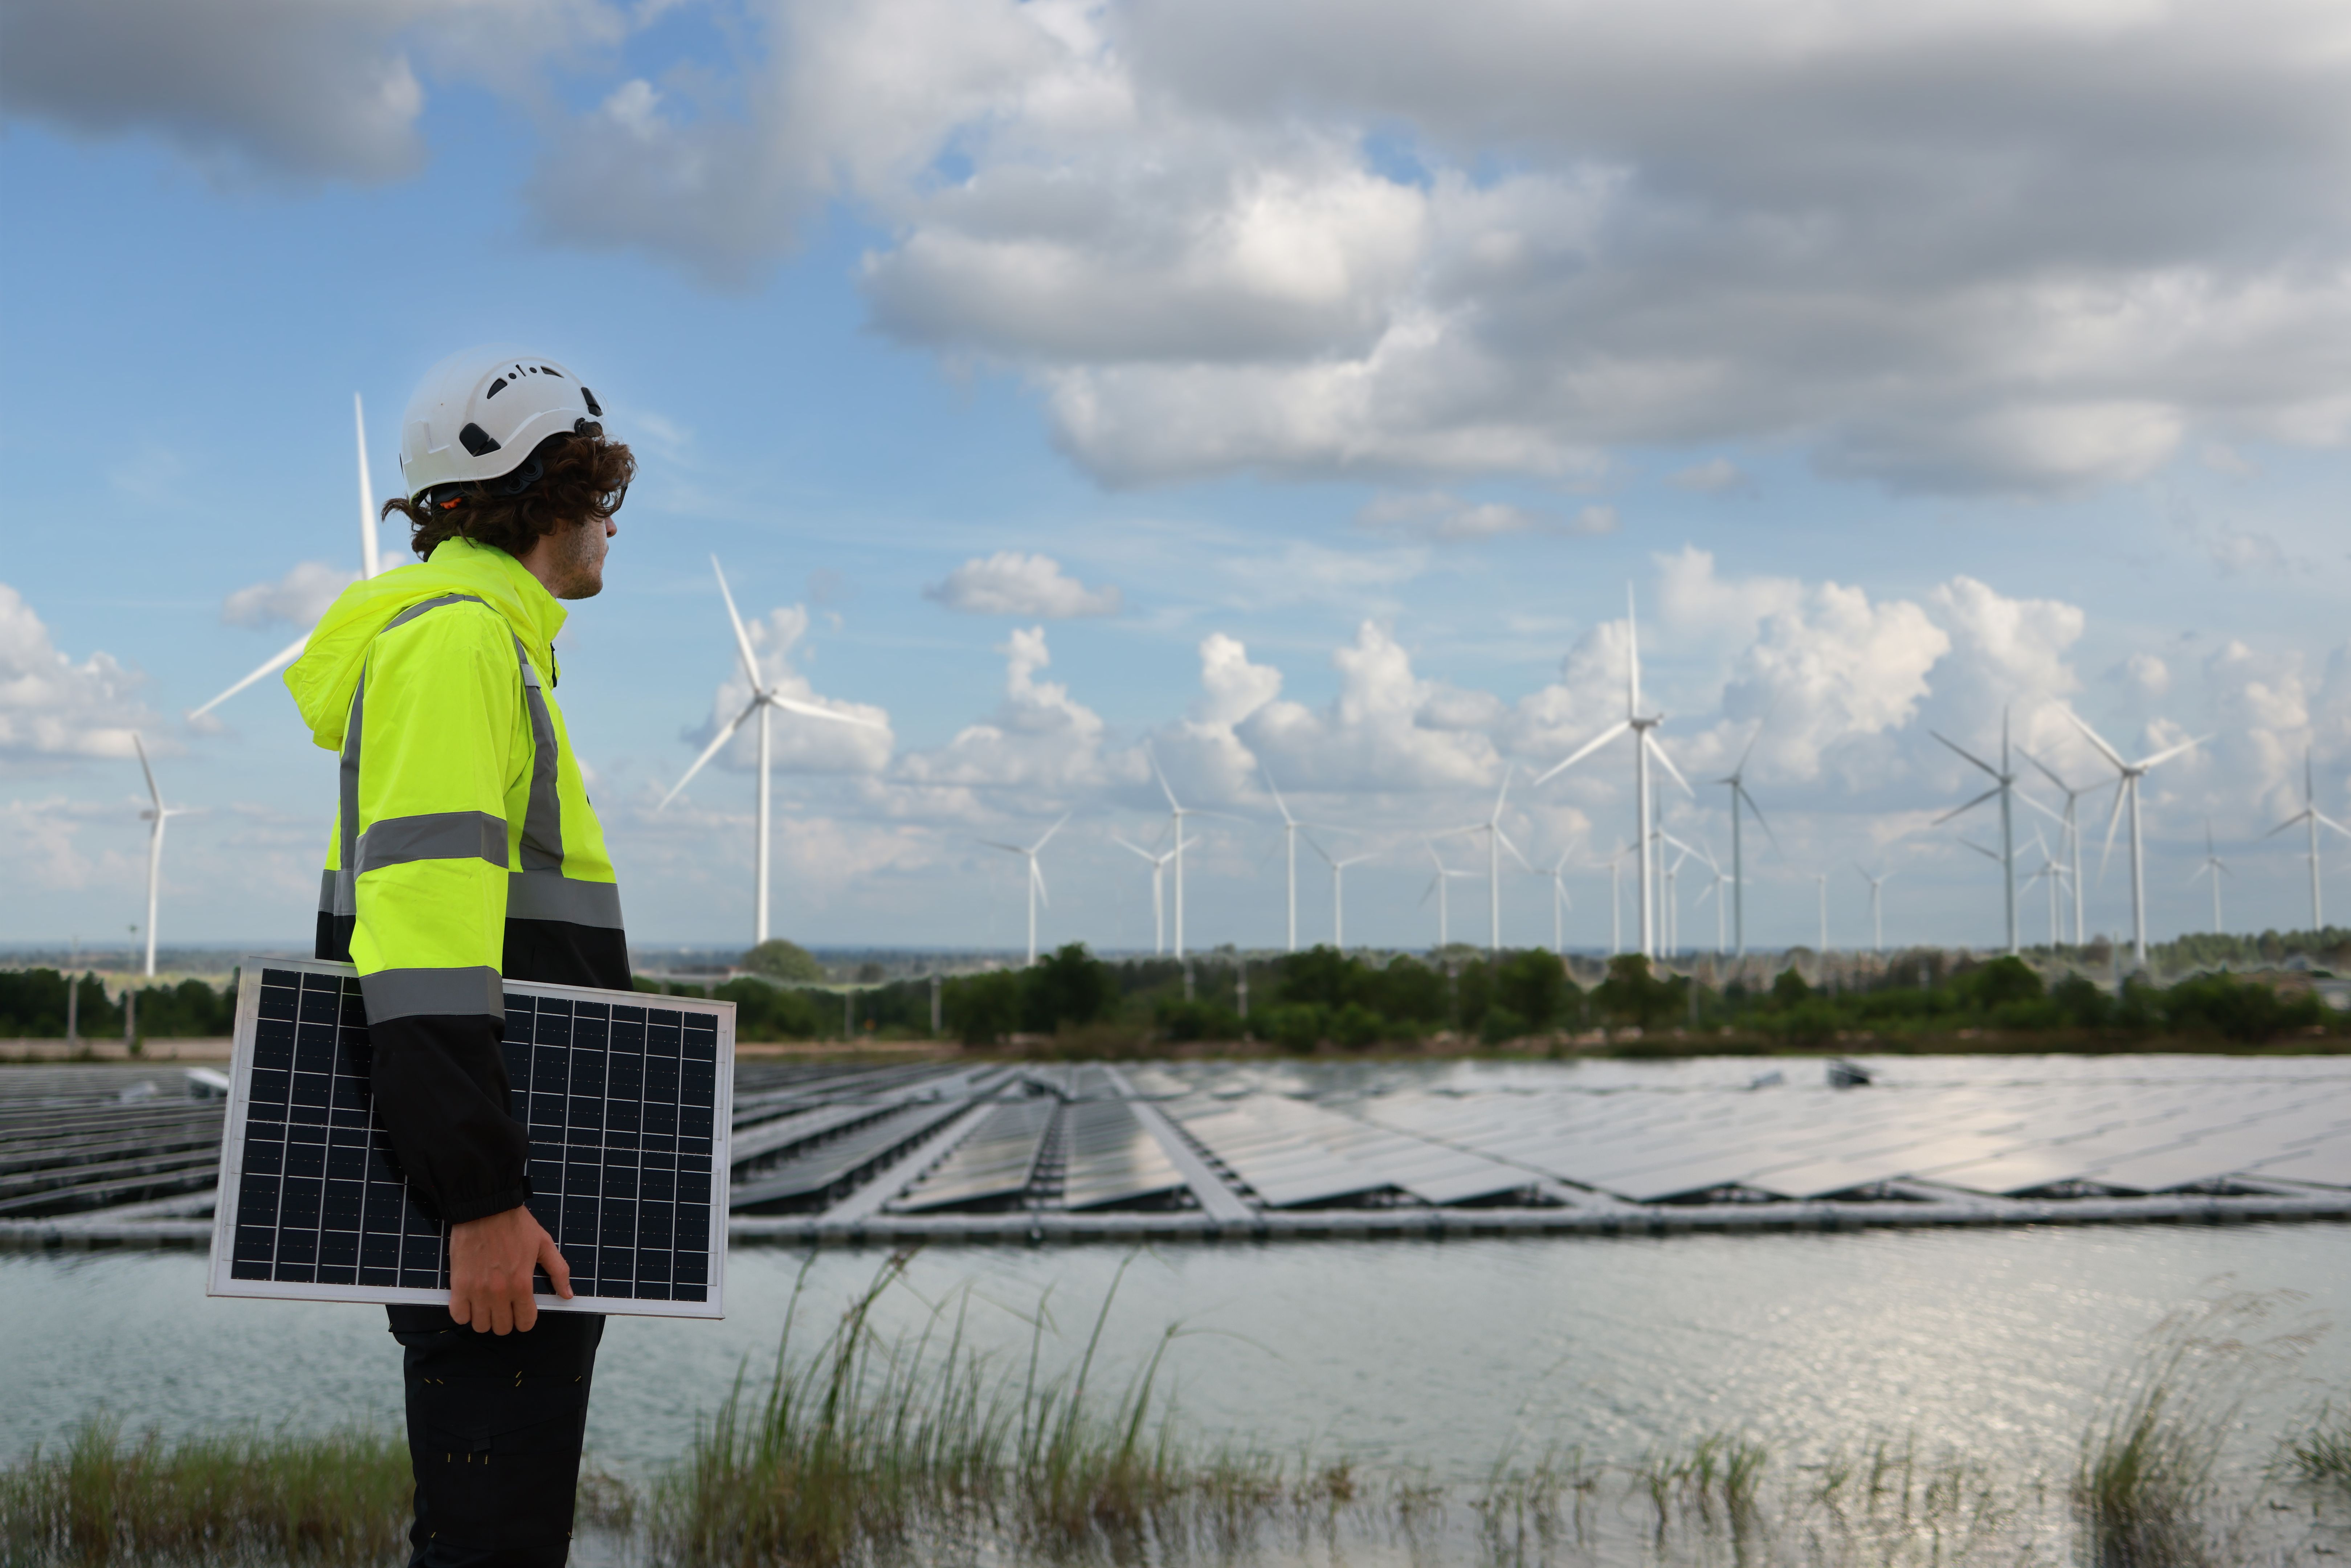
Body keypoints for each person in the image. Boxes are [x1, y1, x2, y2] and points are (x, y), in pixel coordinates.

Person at [286, 347, 636, 1567]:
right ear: (550, 492)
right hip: (493, 1201)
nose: (611, 526)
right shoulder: (459, 647)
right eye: (603, 494)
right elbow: (426, 947)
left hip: (519, 1179)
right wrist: (481, 1200)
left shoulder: (491, 644)